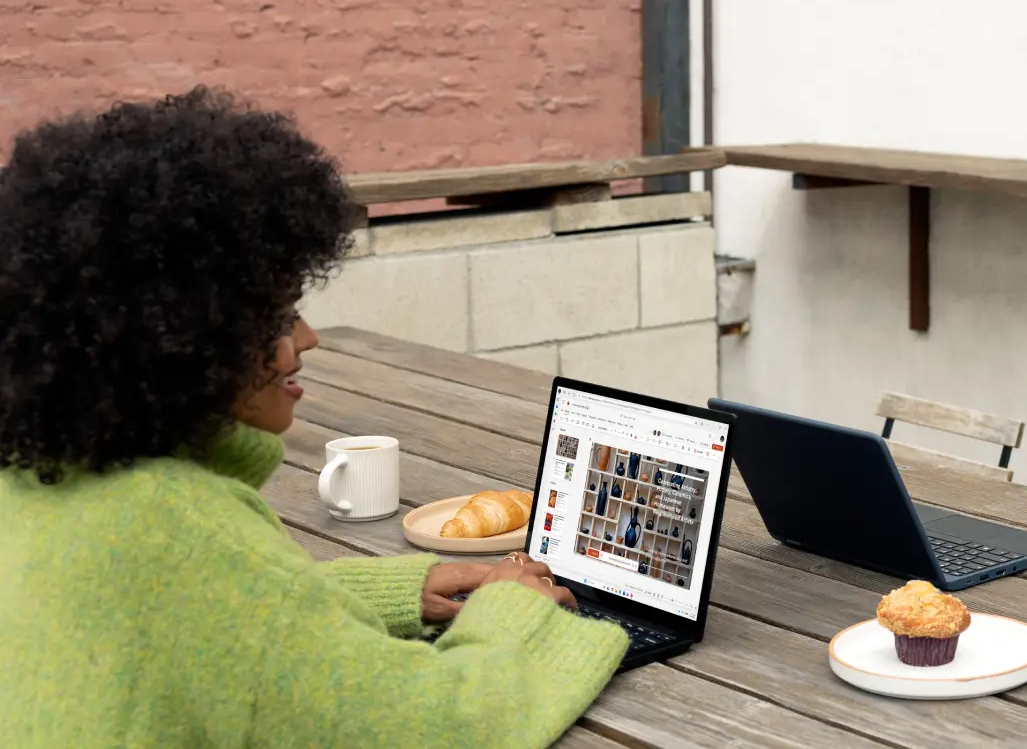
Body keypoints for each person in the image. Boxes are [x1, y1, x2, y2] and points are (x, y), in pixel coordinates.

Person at [0, 89, 628, 747]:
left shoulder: (37, 482)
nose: (307, 338)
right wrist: (513, 616)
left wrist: (396, 591)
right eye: (278, 316)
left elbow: (220, 615)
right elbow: (440, 726)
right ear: (182, 341)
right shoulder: (170, 522)